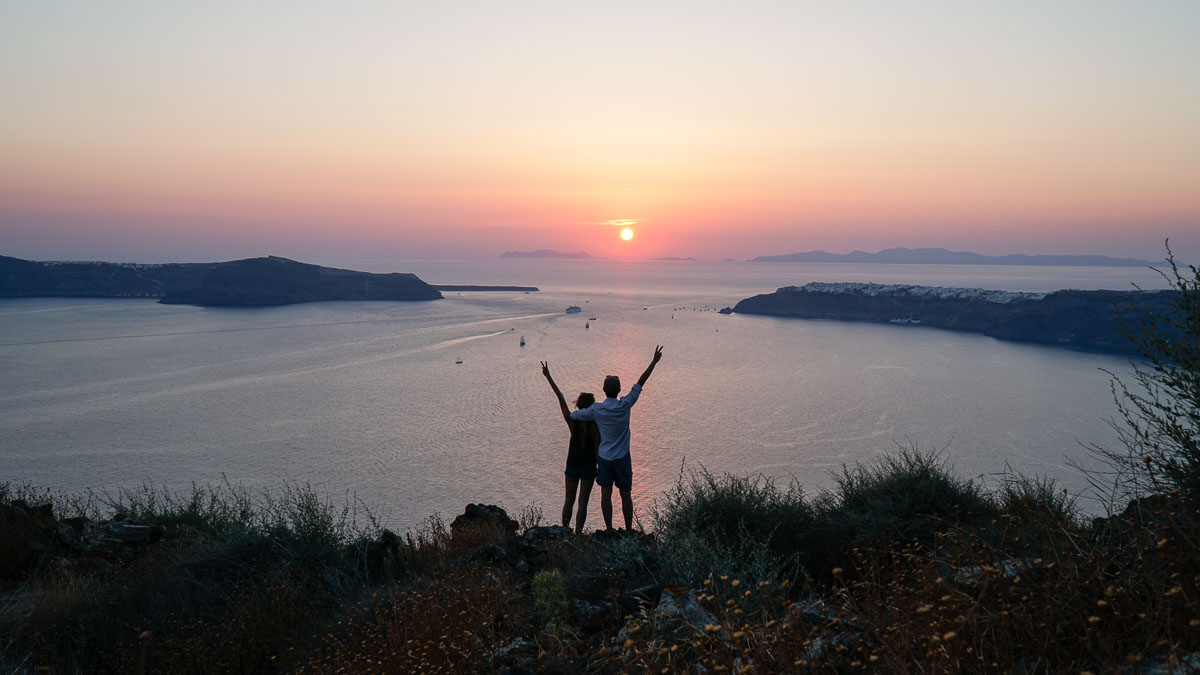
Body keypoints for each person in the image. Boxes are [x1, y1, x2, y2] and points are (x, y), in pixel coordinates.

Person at [568, 346, 663, 531]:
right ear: (619, 389)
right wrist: (654, 361)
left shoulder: (597, 410)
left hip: (604, 458)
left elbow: (574, 415)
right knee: (625, 494)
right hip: (622, 458)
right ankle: (628, 530)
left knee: (606, 494)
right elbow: (640, 383)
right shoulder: (625, 404)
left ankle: (610, 529)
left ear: (604, 390)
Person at [541, 362, 600, 533]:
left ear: (578, 404)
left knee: (569, 500)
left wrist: (548, 376)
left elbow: (560, 397)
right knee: (583, 503)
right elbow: (597, 448)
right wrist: (599, 465)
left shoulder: (572, 420)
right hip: (589, 465)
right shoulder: (595, 424)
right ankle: (578, 534)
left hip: (572, 463)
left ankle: (565, 531)